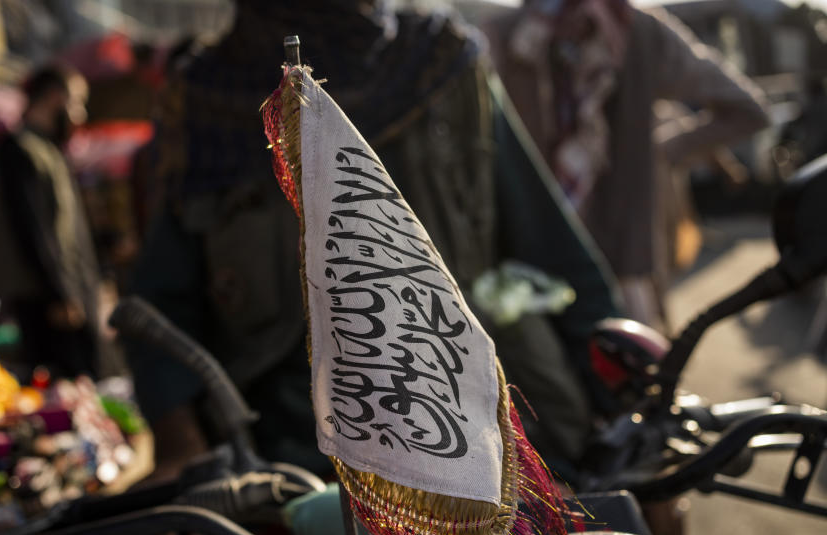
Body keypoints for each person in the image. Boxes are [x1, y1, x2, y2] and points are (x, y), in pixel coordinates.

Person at [127, 0, 621, 486]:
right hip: (301, 468)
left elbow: (551, 248)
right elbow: (159, 307)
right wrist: (180, 444)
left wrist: (627, 408)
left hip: (486, 442)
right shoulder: (202, 104)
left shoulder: (441, 65)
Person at [483, 1, 770, 329]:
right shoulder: (637, 30)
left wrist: (664, 150)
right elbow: (748, 109)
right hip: (597, 267)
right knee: (626, 364)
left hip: (535, 264)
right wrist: (663, 151)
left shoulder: (508, 34)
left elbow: (748, 110)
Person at [0, 64, 101, 378]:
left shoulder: (48, 149)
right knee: (60, 384)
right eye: (76, 102)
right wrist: (59, 294)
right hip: (45, 299)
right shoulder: (20, 150)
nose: (80, 114)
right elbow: (32, 229)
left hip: (64, 291)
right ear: (55, 98)